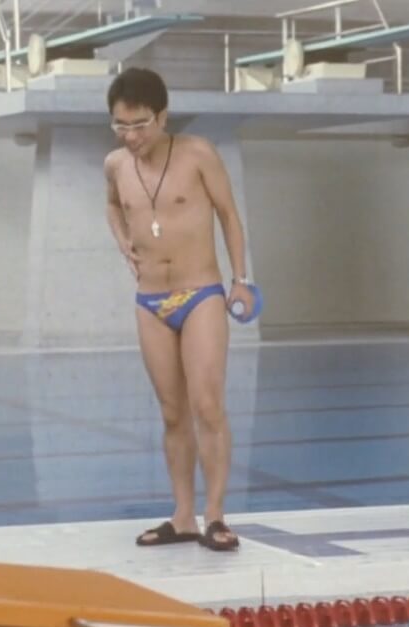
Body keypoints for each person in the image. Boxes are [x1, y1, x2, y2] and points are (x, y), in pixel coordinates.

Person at [103, 67, 255, 552]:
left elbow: (229, 215)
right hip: (150, 302)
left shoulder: (197, 153)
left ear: (162, 117)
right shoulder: (115, 164)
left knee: (207, 405)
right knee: (172, 413)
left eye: (140, 125)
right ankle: (183, 516)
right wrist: (122, 240)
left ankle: (216, 516)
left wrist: (241, 281)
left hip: (200, 293)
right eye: (121, 126)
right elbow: (113, 206)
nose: (131, 136)